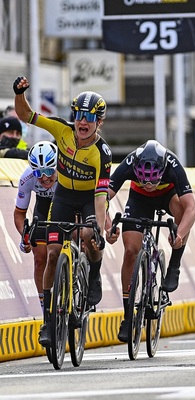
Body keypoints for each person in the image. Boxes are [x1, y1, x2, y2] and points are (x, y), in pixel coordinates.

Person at [13, 76, 112, 347]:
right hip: (64, 196)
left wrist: (100, 231)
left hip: (90, 198)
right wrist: (19, 93)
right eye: (79, 115)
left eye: (89, 118)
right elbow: (26, 115)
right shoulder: (62, 130)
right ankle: (48, 321)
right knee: (53, 254)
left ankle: (93, 273)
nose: (82, 121)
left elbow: (102, 196)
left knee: (91, 235)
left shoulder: (102, 152)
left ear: (98, 122)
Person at [106, 139, 195, 343]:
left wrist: (180, 234)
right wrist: (107, 226)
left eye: (153, 180)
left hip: (168, 196)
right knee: (131, 251)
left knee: (182, 214)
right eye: (144, 180)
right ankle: (128, 315)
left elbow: (192, 209)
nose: (149, 185)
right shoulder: (129, 162)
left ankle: (174, 265)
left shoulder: (173, 165)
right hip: (138, 200)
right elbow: (102, 198)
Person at [14, 141, 58, 312]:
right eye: (39, 172)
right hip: (43, 205)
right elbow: (19, 213)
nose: (44, 177)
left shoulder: (67, 170)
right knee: (39, 258)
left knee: (78, 236)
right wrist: (24, 234)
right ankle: (45, 310)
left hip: (68, 202)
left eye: (48, 171)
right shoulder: (27, 178)